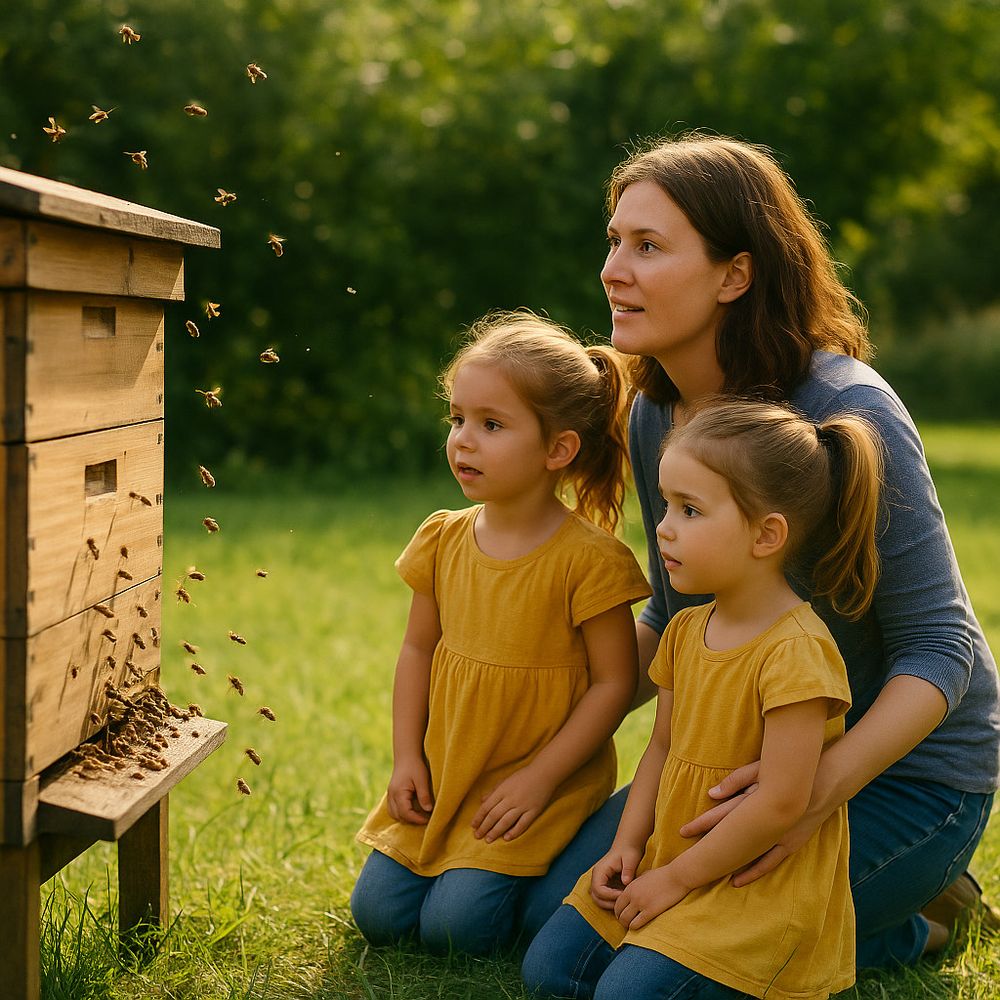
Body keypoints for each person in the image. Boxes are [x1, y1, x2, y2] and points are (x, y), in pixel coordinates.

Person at [519, 133, 1000, 969]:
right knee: (544, 922)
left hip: (907, 777)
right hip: (736, 760)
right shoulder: (655, 413)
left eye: (648, 246)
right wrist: (535, 729)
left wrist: (815, 792)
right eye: (614, 241)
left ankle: (925, 912)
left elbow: (941, 646)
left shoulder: (849, 412)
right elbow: (676, 616)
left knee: (653, 953)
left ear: (734, 275)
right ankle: (889, 911)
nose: (612, 271)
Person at [523, 398, 882, 999]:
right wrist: (627, 846)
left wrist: (675, 882)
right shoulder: (686, 630)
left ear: (766, 535)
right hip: (669, 859)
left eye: (690, 510)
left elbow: (781, 803)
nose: (664, 527)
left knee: (623, 995)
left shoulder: (797, 652)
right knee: (548, 972)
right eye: (665, 504)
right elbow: (661, 748)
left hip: (748, 887)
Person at [351, 311, 651, 956]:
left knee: (455, 930)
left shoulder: (590, 560)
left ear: (558, 450)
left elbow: (614, 684)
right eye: (457, 419)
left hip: (535, 782)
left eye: (491, 425)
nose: (463, 440)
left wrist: (539, 779)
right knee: (376, 914)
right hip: (449, 771)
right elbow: (417, 650)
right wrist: (406, 758)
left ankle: (553, 870)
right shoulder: (442, 538)